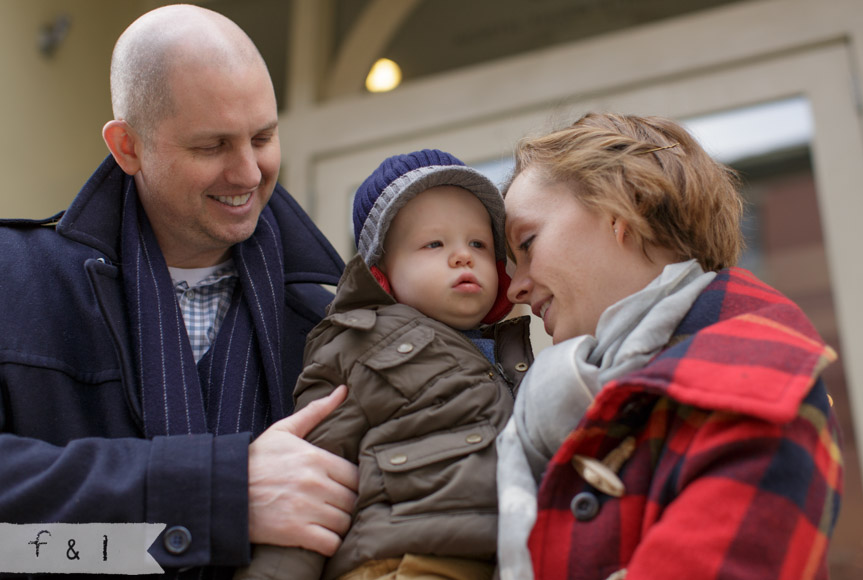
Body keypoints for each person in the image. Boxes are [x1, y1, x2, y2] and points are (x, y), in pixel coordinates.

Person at [0, 4, 358, 577]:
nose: (247, 173)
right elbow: (9, 546)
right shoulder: (12, 282)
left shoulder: (334, 320)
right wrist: (218, 494)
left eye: (263, 136)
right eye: (211, 146)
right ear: (128, 147)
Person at [496, 112, 843, 580]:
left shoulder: (761, 383)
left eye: (528, 242)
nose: (514, 287)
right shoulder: (568, 400)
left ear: (624, 208)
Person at [235, 149, 534, 580]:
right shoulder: (357, 342)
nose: (462, 256)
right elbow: (308, 475)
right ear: (381, 274)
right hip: (400, 564)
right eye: (434, 243)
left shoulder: (517, 355)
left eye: (479, 243)